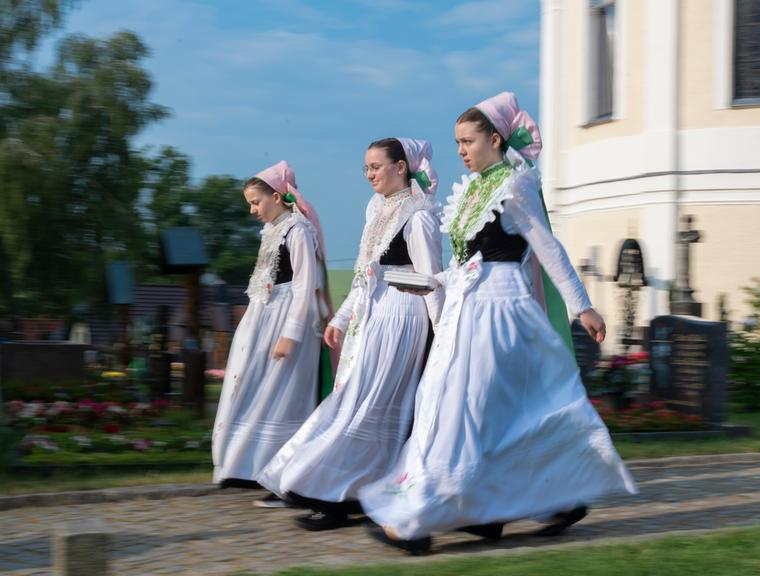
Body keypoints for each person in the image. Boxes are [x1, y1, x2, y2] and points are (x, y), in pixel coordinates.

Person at [360, 92, 636, 554]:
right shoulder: (472, 189)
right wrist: (427, 282)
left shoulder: (516, 184)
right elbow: (467, 263)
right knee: (471, 408)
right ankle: (519, 507)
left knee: (464, 408)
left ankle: (422, 518)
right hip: (468, 310)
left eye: (468, 141)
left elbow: (546, 248)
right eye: (457, 143)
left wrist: (580, 305)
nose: (462, 150)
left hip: (499, 309)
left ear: (495, 138)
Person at [257, 138, 444, 530]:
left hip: (403, 318)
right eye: (367, 168)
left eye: (377, 166)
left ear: (401, 167)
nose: (370, 174)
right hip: (373, 316)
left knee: (371, 404)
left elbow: (431, 282)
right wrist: (340, 319)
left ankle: (337, 489)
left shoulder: (420, 216)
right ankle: (342, 488)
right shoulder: (376, 208)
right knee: (357, 400)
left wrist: (441, 333)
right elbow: (363, 275)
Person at [211, 160, 332, 492]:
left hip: (284, 320)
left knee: (281, 396)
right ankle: (242, 464)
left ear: (277, 197)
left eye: (256, 202)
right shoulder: (273, 231)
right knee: (252, 390)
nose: (253, 211)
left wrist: (290, 334)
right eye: (250, 203)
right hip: (262, 317)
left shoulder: (298, 230)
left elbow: (306, 285)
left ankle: (278, 468)